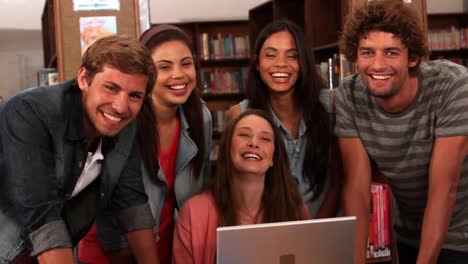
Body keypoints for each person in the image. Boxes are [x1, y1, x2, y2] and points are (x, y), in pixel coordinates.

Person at [0, 35, 159, 263]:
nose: (121, 107)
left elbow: (132, 204)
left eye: (134, 95)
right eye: (111, 88)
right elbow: (41, 215)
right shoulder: (29, 113)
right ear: (84, 78)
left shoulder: (126, 125)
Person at [335, 0, 468, 263]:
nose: (378, 64)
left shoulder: (453, 86)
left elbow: (445, 189)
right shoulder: (349, 96)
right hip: (410, 232)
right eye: (367, 52)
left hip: (462, 230)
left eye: (392, 52)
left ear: (413, 57)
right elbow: (357, 189)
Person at [78, 25, 212, 264]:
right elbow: (106, 200)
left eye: (186, 63)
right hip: (113, 252)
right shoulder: (120, 118)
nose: (179, 74)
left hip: (169, 249)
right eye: (164, 67)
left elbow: (200, 190)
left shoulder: (201, 118)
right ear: (144, 75)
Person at [227, 20, 340, 218]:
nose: (281, 63)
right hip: (271, 231)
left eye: (292, 56)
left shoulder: (332, 106)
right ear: (257, 63)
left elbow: (340, 181)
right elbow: (238, 188)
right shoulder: (240, 115)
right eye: (270, 55)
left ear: (303, 62)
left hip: (330, 229)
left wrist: (316, 230)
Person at [173, 109, 309, 263]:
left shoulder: (294, 209)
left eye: (265, 138)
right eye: (244, 135)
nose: (254, 143)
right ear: (227, 149)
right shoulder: (193, 213)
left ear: (273, 158)